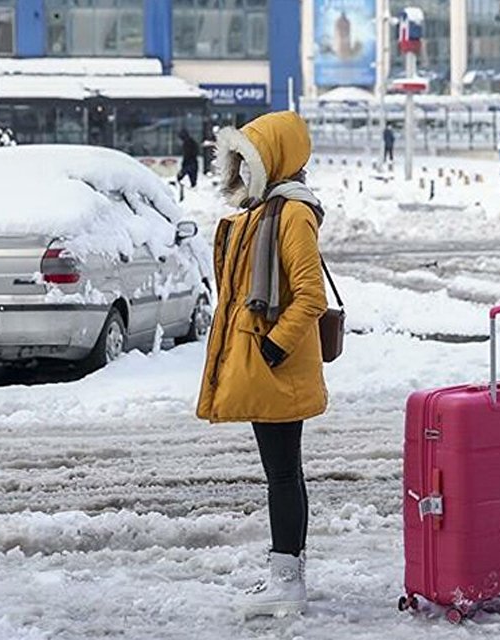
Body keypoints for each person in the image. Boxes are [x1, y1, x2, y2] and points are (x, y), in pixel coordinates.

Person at [198, 110, 329, 619]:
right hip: (267, 362)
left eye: (246, 161)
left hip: (275, 365)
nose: (239, 173)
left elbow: (309, 296)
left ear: (272, 160)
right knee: (284, 472)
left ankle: (287, 583)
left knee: (281, 474)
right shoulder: (264, 212)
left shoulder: (291, 215)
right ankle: (288, 575)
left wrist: (273, 347)